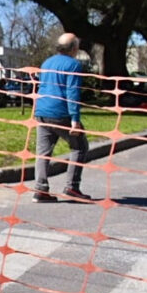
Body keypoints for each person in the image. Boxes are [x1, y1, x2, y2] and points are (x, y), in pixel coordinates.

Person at [33, 33, 92, 202]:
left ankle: (40, 189)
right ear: (74, 48)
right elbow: (72, 92)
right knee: (80, 146)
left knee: (43, 153)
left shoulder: (46, 63)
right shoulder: (73, 65)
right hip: (61, 113)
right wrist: (75, 119)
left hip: (42, 112)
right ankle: (72, 187)